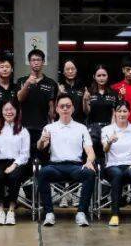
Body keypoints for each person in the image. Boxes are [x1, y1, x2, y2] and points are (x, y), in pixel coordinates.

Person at [36, 94, 96, 227]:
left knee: (89, 173)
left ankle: (81, 212)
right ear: (57, 109)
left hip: (75, 167)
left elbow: (90, 152)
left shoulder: (81, 128)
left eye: (68, 106)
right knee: (43, 172)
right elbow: (41, 147)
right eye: (62, 106)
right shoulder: (50, 127)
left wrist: (89, 161)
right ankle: (49, 213)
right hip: (55, 167)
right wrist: (41, 140)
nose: (65, 109)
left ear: (73, 108)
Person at [101, 101, 131, 227]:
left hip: (130, 164)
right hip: (112, 165)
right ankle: (115, 214)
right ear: (115, 113)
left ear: (129, 113)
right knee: (117, 174)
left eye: (125, 111)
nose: (122, 114)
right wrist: (109, 141)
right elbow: (105, 150)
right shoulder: (107, 130)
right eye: (119, 111)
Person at [0, 100, 30, 225]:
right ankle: (0, 210)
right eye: (6, 109)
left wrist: (14, 165)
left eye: (11, 109)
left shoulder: (22, 130)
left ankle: (11, 210)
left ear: (16, 111)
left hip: (17, 162)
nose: (9, 112)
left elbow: (25, 154)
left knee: (14, 176)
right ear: (2, 112)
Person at [18, 48, 57, 160]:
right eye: (33, 60)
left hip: (43, 128)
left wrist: (51, 126)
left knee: (42, 158)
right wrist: (27, 84)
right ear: (29, 62)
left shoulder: (51, 83)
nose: (36, 62)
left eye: (38, 60)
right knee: (26, 159)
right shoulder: (22, 80)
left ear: (43, 62)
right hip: (25, 127)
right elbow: (19, 99)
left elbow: (52, 109)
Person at [84, 64, 120, 162]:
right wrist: (85, 100)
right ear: (94, 77)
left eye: (104, 75)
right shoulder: (89, 92)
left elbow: (115, 113)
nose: (101, 78)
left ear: (107, 76)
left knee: (108, 155)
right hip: (93, 127)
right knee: (92, 155)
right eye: (99, 75)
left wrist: (112, 129)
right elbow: (86, 112)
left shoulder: (114, 93)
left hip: (108, 126)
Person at [58, 58, 86, 123]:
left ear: (76, 70)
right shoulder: (59, 87)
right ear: (63, 72)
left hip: (79, 123)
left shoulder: (82, 88)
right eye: (67, 69)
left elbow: (86, 111)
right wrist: (59, 94)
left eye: (73, 69)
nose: (70, 71)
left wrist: (85, 99)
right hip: (62, 124)